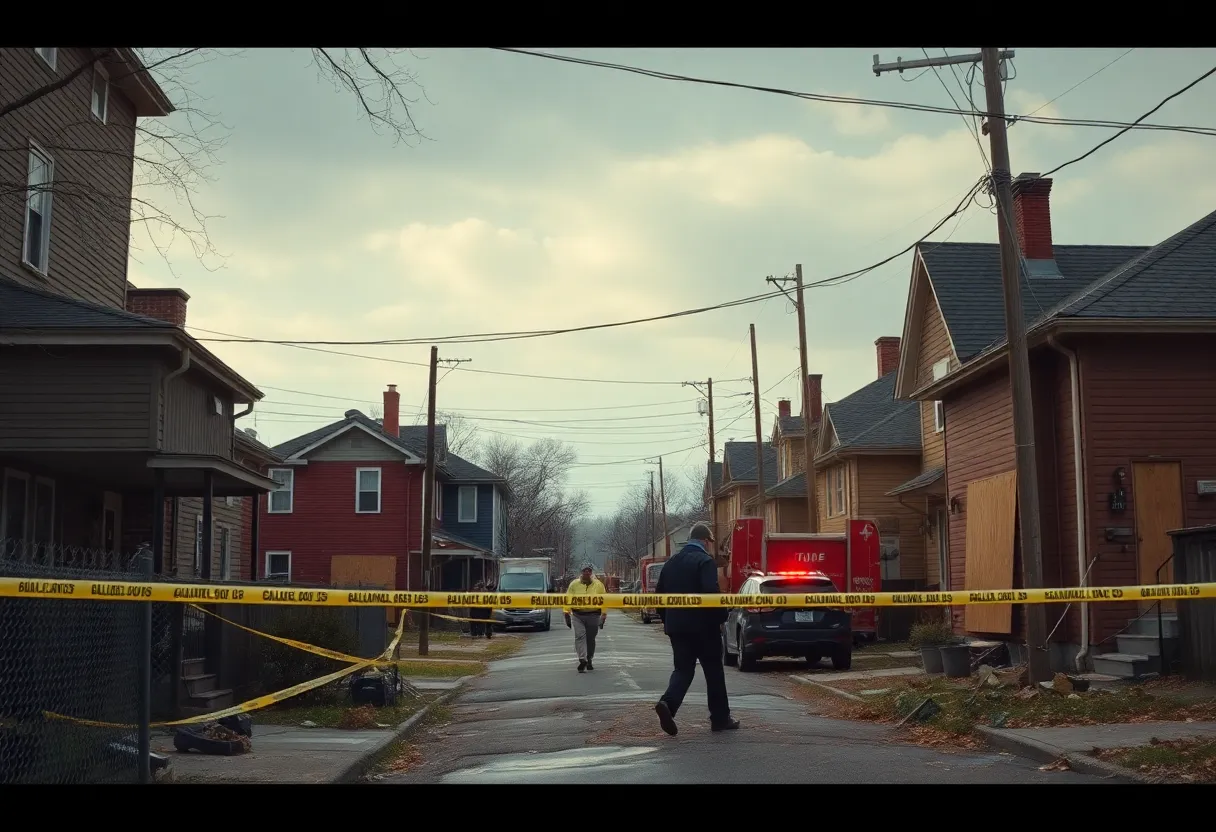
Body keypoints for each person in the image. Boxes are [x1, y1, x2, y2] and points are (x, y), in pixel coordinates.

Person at [654, 523, 739, 736]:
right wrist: (721, 617)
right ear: (705, 541)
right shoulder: (704, 561)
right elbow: (710, 594)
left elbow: (658, 596)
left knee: (683, 669)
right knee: (713, 672)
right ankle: (720, 718)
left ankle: (668, 704)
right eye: (710, 542)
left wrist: (668, 621)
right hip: (704, 628)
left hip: (677, 627)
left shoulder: (671, 563)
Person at [563, 563, 606, 673]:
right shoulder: (574, 584)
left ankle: (589, 658)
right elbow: (568, 598)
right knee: (580, 636)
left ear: (591, 573)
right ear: (581, 572)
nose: (587, 572)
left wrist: (603, 614)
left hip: (593, 615)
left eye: (589, 571)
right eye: (584, 571)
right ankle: (582, 659)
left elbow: (604, 600)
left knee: (590, 639)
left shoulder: (598, 585)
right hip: (578, 615)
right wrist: (566, 612)